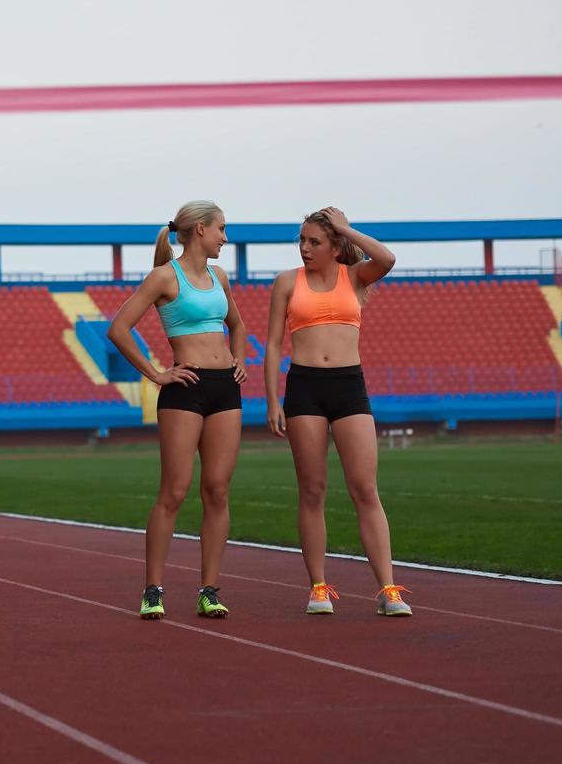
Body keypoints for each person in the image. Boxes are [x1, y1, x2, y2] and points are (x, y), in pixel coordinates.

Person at [264, 206, 412, 616]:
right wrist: (273, 399)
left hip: (349, 386)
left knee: (365, 489)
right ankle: (318, 587)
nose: (305, 249)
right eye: (302, 241)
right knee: (312, 491)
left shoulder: (356, 276)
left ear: (334, 245)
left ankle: (388, 589)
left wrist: (346, 228)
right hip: (304, 388)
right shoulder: (285, 283)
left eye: (315, 241)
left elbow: (387, 259)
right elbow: (274, 343)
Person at [108, 200, 247, 620]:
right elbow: (117, 328)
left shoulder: (219, 276)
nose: (226, 237)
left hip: (226, 390)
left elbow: (237, 325)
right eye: (221, 229)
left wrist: (239, 359)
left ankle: (209, 589)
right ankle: (153, 589)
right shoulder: (164, 277)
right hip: (185, 389)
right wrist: (156, 373)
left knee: (218, 491)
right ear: (200, 229)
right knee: (174, 491)